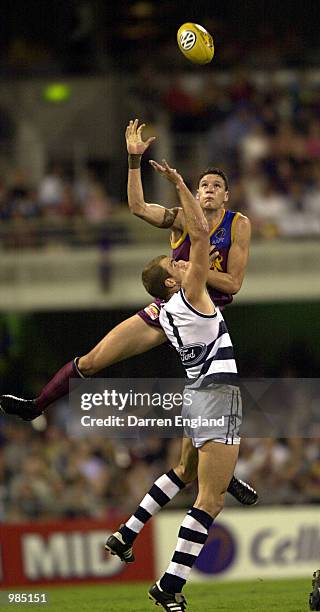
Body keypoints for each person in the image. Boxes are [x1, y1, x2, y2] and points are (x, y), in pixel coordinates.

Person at [0, 119, 256, 506]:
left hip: (204, 319)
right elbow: (136, 206)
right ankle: (35, 405)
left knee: (205, 401)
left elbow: (234, 284)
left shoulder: (238, 225)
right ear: (197, 192)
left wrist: (195, 273)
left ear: (226, 196)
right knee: (94, 359)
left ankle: (221, 472)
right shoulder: (182, 218)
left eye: (215, 186)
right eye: (203, 185)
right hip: (170, 309)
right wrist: (134, 161)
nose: (208, 190)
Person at [108, 159, 242, 611]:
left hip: (196, 394)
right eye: (175, 263)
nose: (183, 262)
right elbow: (202, 235)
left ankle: (127, 531)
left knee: (186, 472)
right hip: (217, 395)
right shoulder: (192, 296)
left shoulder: (166, 314)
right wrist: (182, 185)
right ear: (172, 281)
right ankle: (171, 585)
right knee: (211, 499)